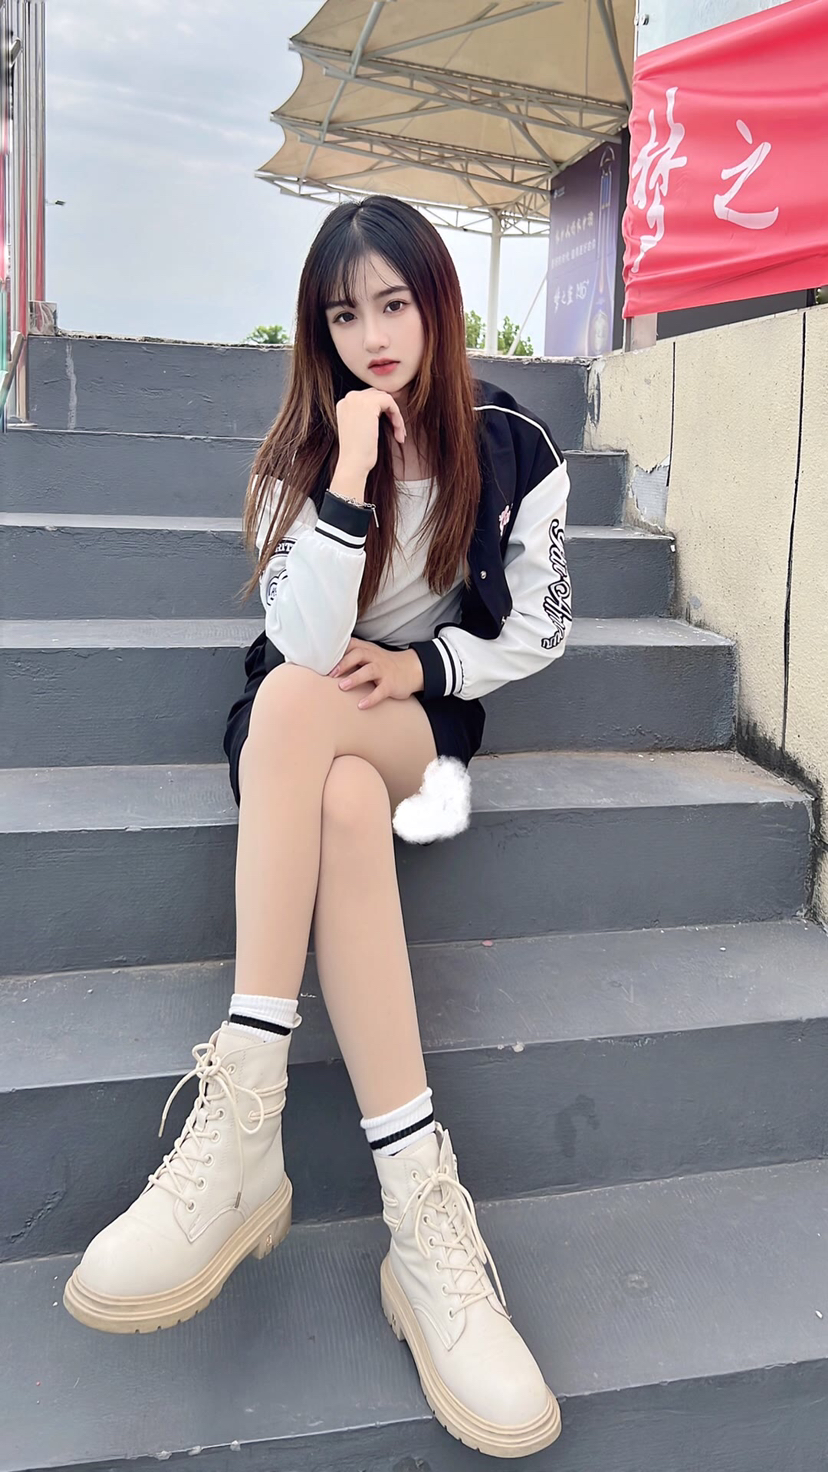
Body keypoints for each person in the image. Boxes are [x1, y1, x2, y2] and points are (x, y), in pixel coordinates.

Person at [64, 195, 573, 1459]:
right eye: (345, 315)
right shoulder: (296, 452)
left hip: (415, 713)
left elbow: (540, 627)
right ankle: (421, 1225)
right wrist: (346, 470)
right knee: (323, 760)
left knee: (326, 723)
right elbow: (297, 639)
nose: (373, 336)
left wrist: (425, 666)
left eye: (394, 303)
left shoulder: (513, 443)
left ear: (438, 301)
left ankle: (247, 1113)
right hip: (306, 721)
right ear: (320, 329)